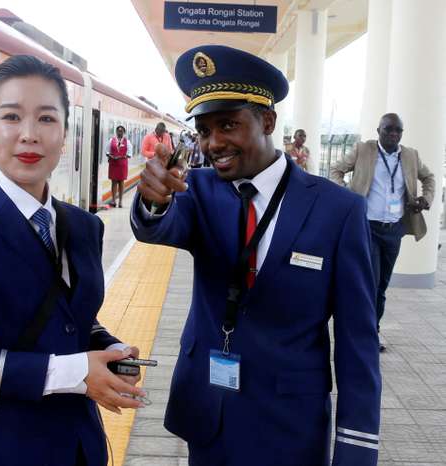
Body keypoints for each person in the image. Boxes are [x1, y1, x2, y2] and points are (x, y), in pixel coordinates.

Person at [131, 45, 381, 465]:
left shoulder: (339, 211)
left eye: (228, 124)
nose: (214, 143)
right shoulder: (197, 191)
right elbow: (158, 226)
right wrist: (153, 201)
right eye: (205, 130)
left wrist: (356, 449)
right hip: (209, 414)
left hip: (289, 426)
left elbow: (358, 342)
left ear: (268, 120)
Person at [0, 55, 144, 466]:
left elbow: (73, 315)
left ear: (65, 131)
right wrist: (76, 373)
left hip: (80, 443)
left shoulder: (84, 226)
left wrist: (108, 347)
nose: (28, 135)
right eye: (11, 117)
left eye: (45, 119)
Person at [330, 113, 436, 351]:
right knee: (371, 281)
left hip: (394, 229)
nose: (393, 135)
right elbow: (336, 170)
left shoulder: (410, 156)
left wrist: (425, 199)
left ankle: (372, 331)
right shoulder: (362, 150)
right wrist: (347, 195)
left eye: (398, 131)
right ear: (378, 131)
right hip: (367, 227)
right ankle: (366, 335)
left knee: (382, 286)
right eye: (388, 130)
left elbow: (429, 177)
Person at [106, 125, 131, 208]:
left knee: (121, 182)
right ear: (116, 132)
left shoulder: (128, 142)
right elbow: (107, 151)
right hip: (113, 164)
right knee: (113, 182)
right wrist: (111, 156)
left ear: (124, 132)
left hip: (122, 165)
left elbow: (129, 154)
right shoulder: (111, 140)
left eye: (121, 131)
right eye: (118, 131)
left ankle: (120, 201)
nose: (119, 132)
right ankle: (113, 200)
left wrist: (120, 157)